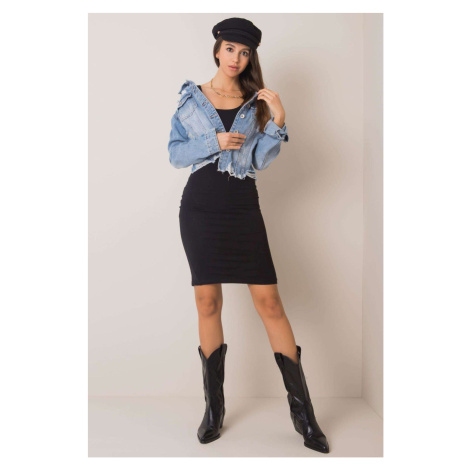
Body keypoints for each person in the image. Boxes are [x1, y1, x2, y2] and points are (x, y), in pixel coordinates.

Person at [168, 17, 329, 454]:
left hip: (242, 208)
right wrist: (214, 142)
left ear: (250, 57)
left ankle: (305, 418)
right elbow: (175, 154)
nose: (236, 58)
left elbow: (258, 159)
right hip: (200, 210)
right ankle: (214, 410)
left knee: (270, 303)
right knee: (207, 302)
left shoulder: (256, 102)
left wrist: (278, 121)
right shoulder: (191, 99)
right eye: (230, 49)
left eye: (245, 52)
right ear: (217, 49)